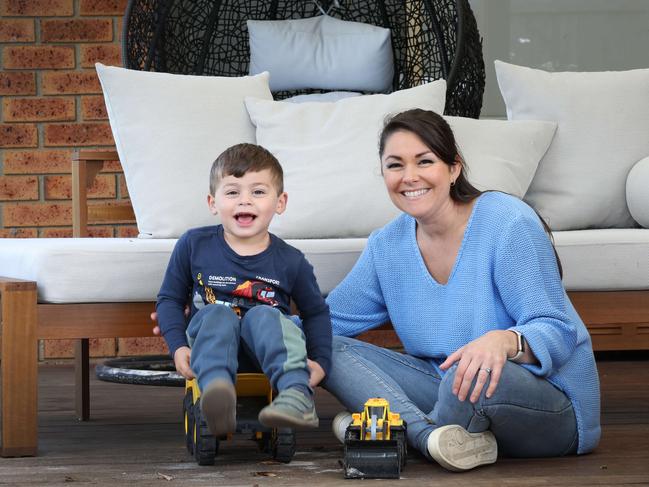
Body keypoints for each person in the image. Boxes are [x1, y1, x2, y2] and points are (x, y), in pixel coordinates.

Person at [323, 109, 600, 472]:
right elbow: (324, 324)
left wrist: (504, 341)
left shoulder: (508, 222)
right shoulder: (386, 246)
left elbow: (558, 330)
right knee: (323, 345)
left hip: (547, 403)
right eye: (395, 165)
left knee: (468, 374)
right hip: (449, 389)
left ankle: (395, 428)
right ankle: (430, 436)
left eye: (425, 161)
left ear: (454, 168)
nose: (409, 177)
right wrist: (252, 322)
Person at [156, 143, 331, 438]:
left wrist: (320, 361)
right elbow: (169, 300)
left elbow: (316, 313)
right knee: (216, 315)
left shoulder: (291, 261)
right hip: (209, 354)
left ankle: (296, 393)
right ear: (213, 202)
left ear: (280, 202)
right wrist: (178, 347)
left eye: (258, 192)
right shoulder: (193, 245)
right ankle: (217, 396)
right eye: (233, 191)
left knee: (265, 316)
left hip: (266, 354)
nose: (245, 201)